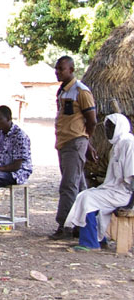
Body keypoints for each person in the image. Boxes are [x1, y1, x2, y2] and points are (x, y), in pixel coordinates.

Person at [64, 113, 134, 251]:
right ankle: (98, 239)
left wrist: (130, 205)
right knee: (85, 195)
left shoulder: (128, 143)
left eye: (110, 128)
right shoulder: (117, 145)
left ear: (119, 127)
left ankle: (90, 242)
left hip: (126, 194)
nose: (107, 132)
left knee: (88, 198)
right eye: (106, 128)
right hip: (115, 190)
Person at [51, 56, 97, 240]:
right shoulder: (62, 91)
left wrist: (85, 141)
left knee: (68, 185)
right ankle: (83, 224)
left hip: (74, 142)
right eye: (56, 68)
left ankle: (65, 226)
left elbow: (92, 121)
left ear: (71, 69)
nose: (58, 72)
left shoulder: (81, 91)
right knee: (79, 185)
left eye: (61, 69)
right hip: (64, 143)